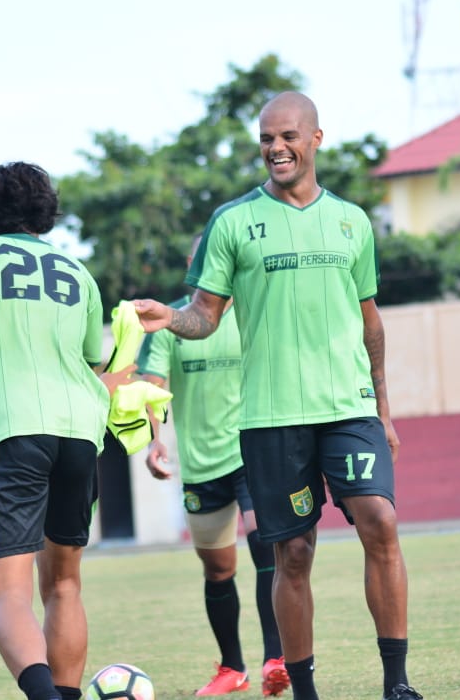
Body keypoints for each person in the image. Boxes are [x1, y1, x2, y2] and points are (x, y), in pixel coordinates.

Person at [133, 91, 422, 700]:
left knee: (381, 522)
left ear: (316, 139)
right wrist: (169, 317)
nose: (275, 148)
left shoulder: (352, 221)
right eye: (266, 139)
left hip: (348, 408)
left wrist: (384, 409)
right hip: (270, 419)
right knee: (291, 552)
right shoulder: (232, 222)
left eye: (287, 136)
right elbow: (205, 317)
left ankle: (397, 683)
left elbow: (371, 323)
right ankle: (305, 691)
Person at [0, 161, 132, 700]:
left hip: (14, 433)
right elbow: (97, 366)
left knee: (8, 595)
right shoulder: (78, 272)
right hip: (80, 435)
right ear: (44, 210)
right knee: (64, 584)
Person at [136, 234, 288, 697]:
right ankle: (233, 669)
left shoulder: (254, 314)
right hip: (201, 466)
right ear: (192, 266)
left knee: (268, 548)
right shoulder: (171, 322)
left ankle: (276, 659)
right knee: (218, 569)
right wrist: (154, 442)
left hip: (253, 455)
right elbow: (153, 384)